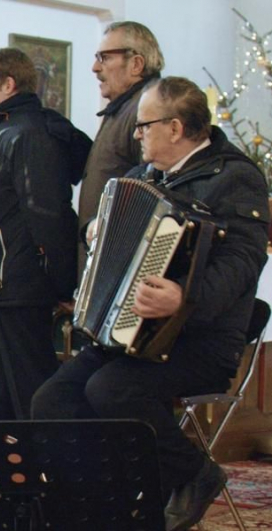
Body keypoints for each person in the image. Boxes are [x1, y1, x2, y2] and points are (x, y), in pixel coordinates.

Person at [31, 77, 269, 531]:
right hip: (129, 336)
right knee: (52, 398)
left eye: (144, 125)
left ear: (175, 127)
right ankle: (98, 502)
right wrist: (94, 233)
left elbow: (242, 262)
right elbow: (114, 240)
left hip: (200, 341)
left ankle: (194, 473)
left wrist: (185, 300)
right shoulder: (142, 178)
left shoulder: (235, 177)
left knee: (112, 390)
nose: (137, 134)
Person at [0, 48, 92, 421]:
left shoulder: (28, 133)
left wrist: (65, 284)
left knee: (27, 385)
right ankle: (14, 466)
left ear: (8, 85)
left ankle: (45, 467)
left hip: (18, 284)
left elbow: (47, 216)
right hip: (2, 284)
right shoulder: (7, 131)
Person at [77, 21, 164, 270]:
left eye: (104, 58)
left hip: (118, 266)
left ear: (136, 64)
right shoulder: (123, 107)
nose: (95, 68)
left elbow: (149, 193)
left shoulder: (146, 108)